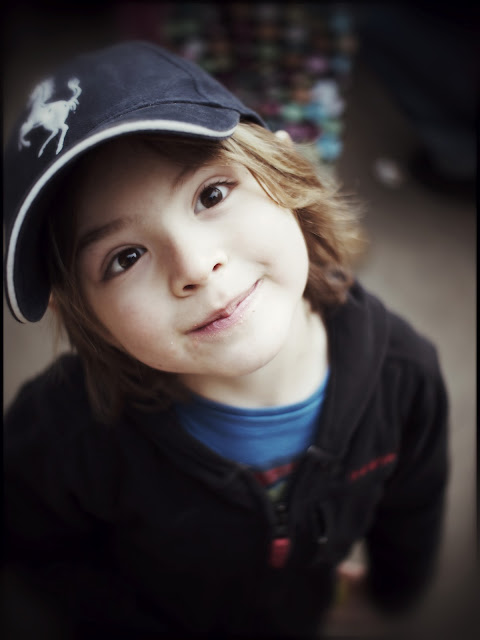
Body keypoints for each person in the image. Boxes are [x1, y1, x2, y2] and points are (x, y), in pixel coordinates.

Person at [3, 41, 448, 639]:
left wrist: (395, 591)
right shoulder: (60, 431)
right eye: (125, 257)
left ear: (286, 169)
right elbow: (38, 548)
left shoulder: (405, 372)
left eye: (211, 194)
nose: (194, 265)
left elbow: (414, 503)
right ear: (84, 315)